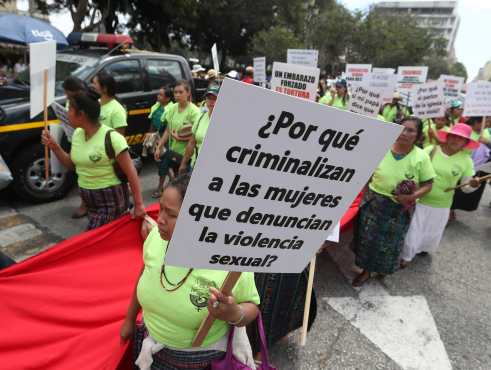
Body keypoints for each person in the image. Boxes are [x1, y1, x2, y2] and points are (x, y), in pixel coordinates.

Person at [120, 174, 260, 369]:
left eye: (171, 214)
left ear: (199, 216)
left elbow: (252, 305)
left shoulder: (229, 257)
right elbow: (144, 275)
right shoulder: (156, 238)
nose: (159, 220)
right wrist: (129, 320)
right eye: (161, 208)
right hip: (149, 347)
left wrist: (234, 313)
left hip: (198, 361)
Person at [41, 87, 145, 230]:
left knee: (93, 241)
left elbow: (131, 173)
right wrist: (55, 147)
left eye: (70, 109)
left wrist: (139, 205)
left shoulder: (112, 138)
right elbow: (72, 165)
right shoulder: (77, 134)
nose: (67, 113)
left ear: (81, 114)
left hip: (110, 201)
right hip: (90, 201)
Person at [352, 117, 436, 287]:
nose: (404, 133)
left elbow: (428, 184)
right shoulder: (381, 148)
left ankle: (383, 269)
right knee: (368, 240)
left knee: (390, 243)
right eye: (401, 128)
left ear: (418, 135)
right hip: (373, 202)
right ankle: (366, 271)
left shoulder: (421, 157)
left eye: (410, 130)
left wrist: (411, 197)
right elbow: (367, 174)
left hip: (398, 208)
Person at [401, 124, 480, 266]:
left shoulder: (466, 161)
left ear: (466, 143)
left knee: (431, 233)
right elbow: (412, 167)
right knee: (413, 231)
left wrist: (473, 185)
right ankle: (406, 257)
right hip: (419, 200)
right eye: (454, 136)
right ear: (448, 136)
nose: (456, 140)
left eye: (461, 138)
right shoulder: (431, 150)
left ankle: (421, 249)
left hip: (442, 205)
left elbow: (466, 187)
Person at [154, 80, 200, 196]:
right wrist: (159, 146)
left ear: (188, 93)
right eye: (175, 92)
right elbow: (168, 130)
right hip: (173, 152)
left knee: (184, 188)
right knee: (175, 179)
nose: (177, 95)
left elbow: (196, 137)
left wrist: (180, 138)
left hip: (187, 157)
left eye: (181, 92)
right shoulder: (173, 108)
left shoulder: (194, 112)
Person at [450, 116, 491, 219]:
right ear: (476, 122)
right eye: (486, 122)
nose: (487, 125)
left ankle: (453, 208)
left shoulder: (485, 133)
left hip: (478, 168)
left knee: (465, 190)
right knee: (454, 189)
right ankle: (449, 210)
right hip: (459, 165)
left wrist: (487, 142)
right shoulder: (465, 131)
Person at [178, 85, 219, 174]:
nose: (211, 101)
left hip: (215, 169)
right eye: (209, 98)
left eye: (215, 98)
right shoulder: (200, 117)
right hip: (196, 166)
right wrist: (184, 163)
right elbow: (192, 142)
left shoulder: (225, 121)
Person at [143, 86, 173, 159]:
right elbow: (153, 121)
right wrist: (150, 134)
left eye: (161, 95)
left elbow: (169, 127)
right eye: (158, 94)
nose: (158, 96)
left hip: (166, 137)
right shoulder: (156, 106)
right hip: (157, 135)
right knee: (157, 156)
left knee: (164, 157)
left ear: (168, 98)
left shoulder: (172, 109)